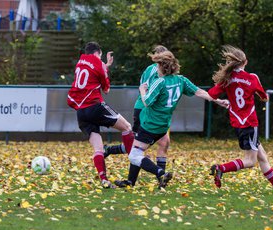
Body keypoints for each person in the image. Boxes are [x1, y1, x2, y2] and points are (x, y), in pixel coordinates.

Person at [116, 50, 229, 189]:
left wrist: (142, 90)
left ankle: (160, 173)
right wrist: (218, 101)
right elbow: (200, 92)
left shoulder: (159, 82)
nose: (156, 69)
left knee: (134, 155)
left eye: (157, 66)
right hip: (163, 125)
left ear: (162, 67)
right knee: (161, 144)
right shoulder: (181, 80)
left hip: (150, 124)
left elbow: (146, 102)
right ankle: (136, 182)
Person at [208, 45, 273, 194]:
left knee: (262, 156)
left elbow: (211, 94)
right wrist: (261, 95)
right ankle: (221, 168)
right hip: (250, 123)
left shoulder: (227, 79)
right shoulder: (252, 78)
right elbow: (264, 98)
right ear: (245, 62)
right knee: (250, 161)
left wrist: (222, 102)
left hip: (237, 124)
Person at [67, 42, 134, 189]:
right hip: (95, 106)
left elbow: (92, 72)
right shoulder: (98, 63)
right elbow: (106, 89)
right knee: (127, 127)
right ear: (100, 52)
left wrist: (105, 65)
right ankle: (136, 159)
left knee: (98, 149)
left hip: (81, 112)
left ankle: (104, 179)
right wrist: (106, 68)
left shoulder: (80, 62)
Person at [104, 45, 171, 187]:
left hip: (152, 111)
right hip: (145, 110)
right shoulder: (154, 70)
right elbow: (149, 92)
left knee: (162, 143)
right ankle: (152, 176)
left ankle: (158, 179)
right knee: (138, 147)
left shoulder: (161, 71)